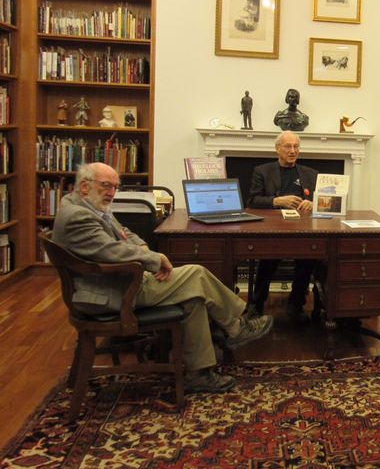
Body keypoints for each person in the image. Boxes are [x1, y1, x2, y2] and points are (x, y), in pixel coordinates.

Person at [53, 162, 275, 393]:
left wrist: (143, 248)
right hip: (114, 293)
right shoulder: (79, 217)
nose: (112, 192)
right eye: (107, 185)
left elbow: (124, 233)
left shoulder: (84, 205)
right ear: (85, 186)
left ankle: (199, 374)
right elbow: (112, 251)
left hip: (117, 282)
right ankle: (236, 328)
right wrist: (156, 258)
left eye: (116, 187)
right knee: (197, 274)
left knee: (193, 298)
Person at [247, 131, 318, 322]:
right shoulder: (262, 171)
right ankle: (257, 304)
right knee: (268, 259)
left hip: (303, 228)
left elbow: (323, 200)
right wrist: (277, 201)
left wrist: (313, 203)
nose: (293, 151)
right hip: (274, 227)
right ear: (277, 148)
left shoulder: (311, 173)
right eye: (288, 146)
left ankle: (296, 304)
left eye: (296, 146)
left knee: (308, 259)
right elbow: (252, 201)